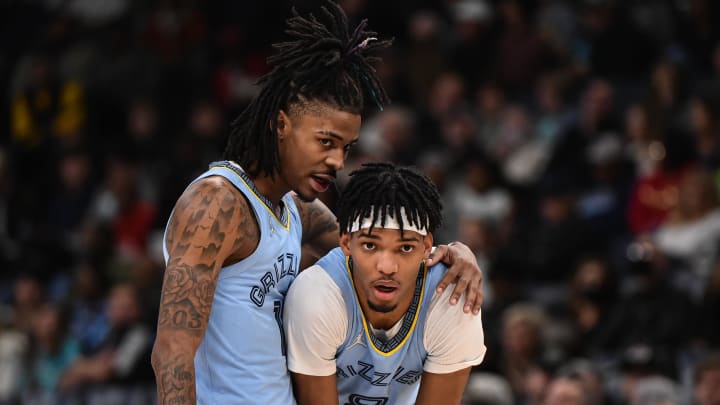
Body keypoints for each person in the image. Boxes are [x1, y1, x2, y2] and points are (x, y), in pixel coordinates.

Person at [150, 3, 484, 404]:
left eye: (346, 148)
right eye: (325, 142)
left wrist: (454, 254)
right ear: (281, 123)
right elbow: (171, 351)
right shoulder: (217, 204)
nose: (337, 162)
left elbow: (375, 246)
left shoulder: (295, 209)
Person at [284, 163, 486, 405]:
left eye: (405, 248)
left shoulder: (451, 296)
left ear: (426, 247)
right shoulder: (317, 296)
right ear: (346, 243)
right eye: (370, 245)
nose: (387, 267)